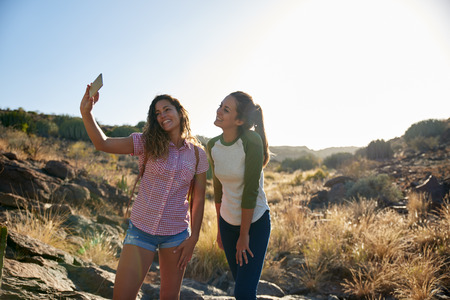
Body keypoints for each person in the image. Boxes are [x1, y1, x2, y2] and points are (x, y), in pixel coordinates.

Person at [80, 84, 209, 300]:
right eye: (157, 113)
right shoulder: (146, 142)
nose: (162, 116)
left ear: (179, 111)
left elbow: (199, 197)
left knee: (169, 296)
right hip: (141, 230)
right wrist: (87, 113)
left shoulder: (197, 155)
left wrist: (194, 237)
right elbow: (102, 143)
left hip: (176, 234)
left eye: (167, 109)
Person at [207, 91, 271, 299]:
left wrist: (244, 236)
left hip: (255, 223)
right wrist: (219, 229)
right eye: (220, 105)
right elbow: (218, 191)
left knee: (243, 292)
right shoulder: (213, 145)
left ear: (240, 120)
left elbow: (250, 192)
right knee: (241, 289)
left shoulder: (251, 141)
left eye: (226, 109)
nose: (219, 111)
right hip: (228, 224)